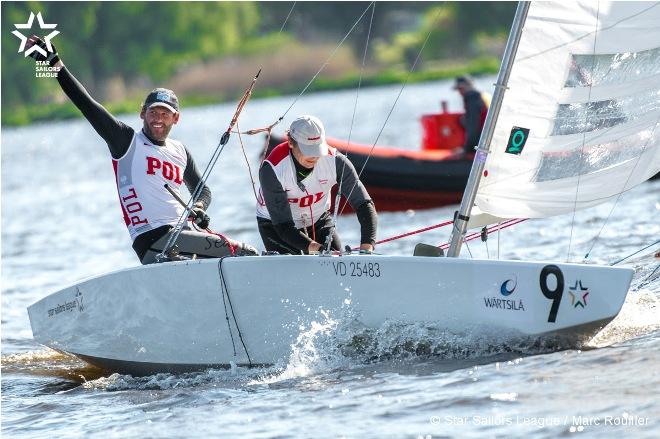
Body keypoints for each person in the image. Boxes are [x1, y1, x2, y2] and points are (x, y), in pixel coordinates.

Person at [25, 36, 258, 264]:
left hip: (184, 236)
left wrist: (198, 207)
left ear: (176, 119)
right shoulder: (125, 141)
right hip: (153, 240)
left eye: (165, 114)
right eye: (153, 112)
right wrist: (56, 64)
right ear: (142, 113)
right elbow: (86, 104)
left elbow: (202, 190)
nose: (158, 119)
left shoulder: (180, 151)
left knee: (241, 258)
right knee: (247, 254)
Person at [257, 115, 377, 254]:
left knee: (336, 261)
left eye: (317, 149)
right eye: (308, 150)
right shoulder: (272, 170)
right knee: (300, 267)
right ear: (290, 142)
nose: (314, 156)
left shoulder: (336, 162)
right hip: (276, 226)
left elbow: (364, 205)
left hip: (318, 220)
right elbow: (284, 227)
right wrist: (319, 249)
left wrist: (367, 248)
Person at [453, 75, 490, 157]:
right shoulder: (483, 95)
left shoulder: (472, 97)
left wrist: (466, 150)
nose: (460, 92)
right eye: (458, 89)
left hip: (482, 145)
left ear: (469, 85)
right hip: (490, 141)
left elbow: (473, 126)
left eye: (461, 88)